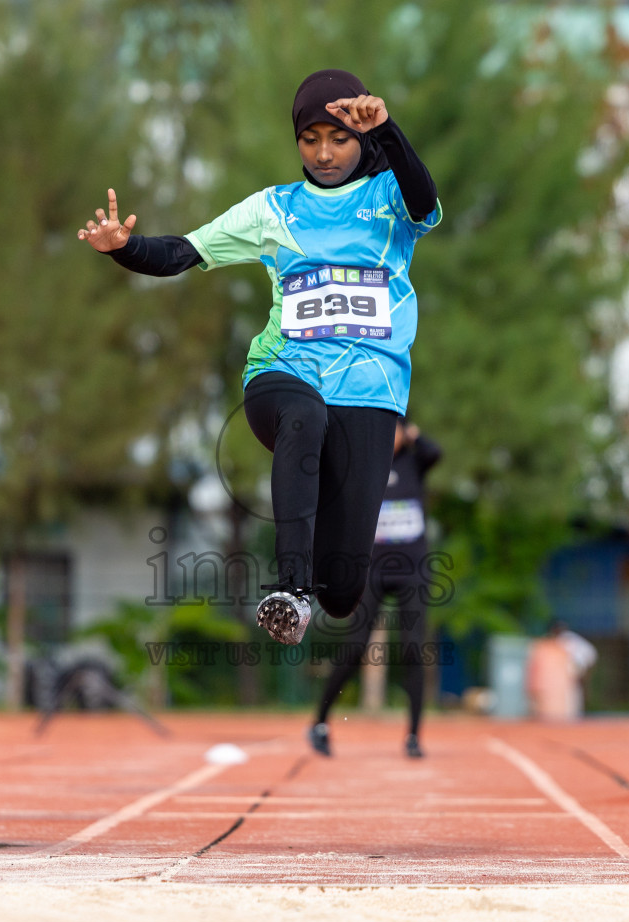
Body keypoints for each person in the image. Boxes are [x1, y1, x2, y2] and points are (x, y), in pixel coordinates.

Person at [78, 70, 441, 647]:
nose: (323, 153)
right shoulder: (274, 209)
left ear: (363, 138)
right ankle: (290, 593)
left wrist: (390, 131)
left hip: (370, 392)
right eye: (310, 138)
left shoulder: (390, 198)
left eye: (339, 138)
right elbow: (182, 252)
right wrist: (124, 249)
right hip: (283, 372)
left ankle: (318, 582)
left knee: (344, 593)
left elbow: (425, 198)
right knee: (307, 414)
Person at [309, 418, 441, 759]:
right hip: (374, 571)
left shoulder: (415, 462)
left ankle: (413, 736)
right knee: (355, 647)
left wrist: (413, 432)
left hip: (412, 571)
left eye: (398, 429)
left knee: (414, 650)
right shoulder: (368, 466)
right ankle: (320, 723)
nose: (392, 435)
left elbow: (435, 452)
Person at [525, 620, 596, 723]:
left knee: (570, 706)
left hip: (570, 676)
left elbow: (589, 656)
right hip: (556, 681)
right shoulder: (548, 642)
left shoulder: (570, 640)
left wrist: (581, 671)